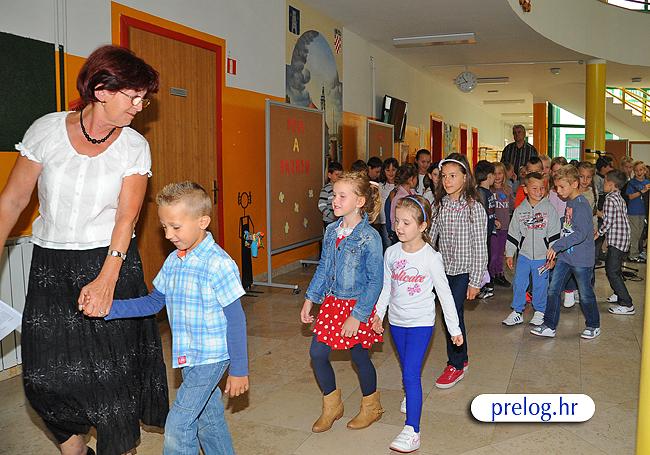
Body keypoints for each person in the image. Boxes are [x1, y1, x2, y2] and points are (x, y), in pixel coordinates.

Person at [0, 45, 169, 455]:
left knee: (113, 377)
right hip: (51, 266)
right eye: (134, 97)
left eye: (144, 99)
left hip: (111, 260)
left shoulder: (133, 146)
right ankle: (73, 446)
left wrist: (107, 279)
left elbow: (126, 219)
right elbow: (13, 201)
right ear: (101, 90)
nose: (140, 107)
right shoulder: (46, 130)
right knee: (42, 377)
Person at [104, 182, 248, 454]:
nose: (169, 234)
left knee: (179, 425)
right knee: (208, 420)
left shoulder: (219, 264)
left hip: (211, 356)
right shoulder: (173, 261)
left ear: (202, 222)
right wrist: (109, 309)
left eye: (176, 227)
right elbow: (153, 302)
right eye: (164, 227)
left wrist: (239, 369)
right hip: (188, 355)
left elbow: (237, 319)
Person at [371, 195, 462, 453]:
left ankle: (412, 430)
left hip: (421, 323)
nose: (399, 227)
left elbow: (445, 295)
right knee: (406, 367)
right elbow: (386, 288)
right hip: (397, 323)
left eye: (406, 222)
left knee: (411, 372)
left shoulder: (430, 258)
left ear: (423, 226)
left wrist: (454, 329)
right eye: (397, 220)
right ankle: (410, 396)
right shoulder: (391, 253)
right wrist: (379, 314)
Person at [300, 172, 384, 433]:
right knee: (317, 353)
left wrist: (358, 315)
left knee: (359, 356)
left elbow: (375, 281)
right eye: (334, 195)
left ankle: (371, 407)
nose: (334, 200)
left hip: (357, 305)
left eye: (341, 196)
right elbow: (324, 267)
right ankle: (332, 406)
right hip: (332, 304)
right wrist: (310, 298)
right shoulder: (331, 231)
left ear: (359, 202)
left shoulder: (370, 237)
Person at [430, 153, 487, 388]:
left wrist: (475, 281)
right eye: (444, 176)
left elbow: (480, 247)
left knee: (451, 315)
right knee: (453, 315)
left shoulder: (474, 208)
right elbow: (430, 237)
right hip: (444, 270)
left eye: (453, 176)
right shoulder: (439, 205)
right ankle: (461, 358)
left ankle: (455, 365)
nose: (447, 180)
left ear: (465, 177)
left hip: (464, 271)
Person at [531, 165, 600, 339]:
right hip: (565, 257)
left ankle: (593, 325)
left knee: (585, 295)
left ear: (574, 184)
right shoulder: (570, 202)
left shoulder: (581, 204)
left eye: (562, 187)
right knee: (553, 290)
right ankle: (549, 325)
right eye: (557, 187)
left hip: (581, 260)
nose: (558, 191)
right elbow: (569, 224)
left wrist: (557, 246)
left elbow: (580, 233)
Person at [502, 172, 561, 326]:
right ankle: (517, 311)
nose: (539, 191)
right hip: (524, 255)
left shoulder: (549, 209)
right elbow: (513, 233)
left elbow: (555, 234)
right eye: (534, 188)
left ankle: (540, 311)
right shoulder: (520, 210)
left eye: (542, 188)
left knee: (540, 285)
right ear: (525, 189)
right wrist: (510, 253)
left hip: (543, 257)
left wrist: (553, 256)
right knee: (519, 283)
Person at [595, 170, 634, 315]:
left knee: (612, 271)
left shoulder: (610, 200)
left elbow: (608, 222)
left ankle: (627, 304)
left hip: (617, 241)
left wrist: (598, 234)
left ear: (612, 185)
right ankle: (618, 293)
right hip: (622, 239)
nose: (603, 184)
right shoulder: (619, 198)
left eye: (605, 182)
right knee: (614, 270)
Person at [475, 160, 497, 299]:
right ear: (489, 176)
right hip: (481, 234)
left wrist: (495, 221)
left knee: (487, 258)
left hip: (487, 232)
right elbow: (480, 214)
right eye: (494, 174)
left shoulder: (488, 192)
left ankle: (484, 283)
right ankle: (479, 286)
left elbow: (489, 212)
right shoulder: (480, 193)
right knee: (482, 259)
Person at [490, 162, 514, 287]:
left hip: (505, 227)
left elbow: (511, 208)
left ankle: (499, 274)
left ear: (504, 175)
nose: (497, 176)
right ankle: (490, 275)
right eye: (494, 173)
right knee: (493, 253)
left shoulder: (508, 190)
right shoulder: (489, 190)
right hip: (493, 228)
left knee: (501, 253)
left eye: (500, 173)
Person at [625, 160, 650, 262]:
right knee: (634, 234)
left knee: (640, 234)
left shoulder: (647, 182)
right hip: (633, 212)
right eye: (636, 170)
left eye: (641, 170)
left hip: (643, 212)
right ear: (634, 172)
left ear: (645, 171)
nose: (639, 172)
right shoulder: (631, 183)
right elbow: (630, 196)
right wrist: (642, 191)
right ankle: (632, 255)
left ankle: (639, 252)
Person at [390, 164, 418, 232]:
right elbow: (393, 219)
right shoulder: (400, 197)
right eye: (416, 178)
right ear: (411, 179)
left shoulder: (413, 193)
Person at [378, 157, 398, 251]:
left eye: (393, 170)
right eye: (388, 170)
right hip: (384, 221)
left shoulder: (399, 186)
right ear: (384, 171)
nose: (391, 173)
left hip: (396, 221)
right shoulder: (380, 186)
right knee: (387, 246)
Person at [318, 161, 343, 228]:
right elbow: (321, 205)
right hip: (329, 221)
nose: (339, 177)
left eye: (341, 175)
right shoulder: (326, 189)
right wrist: (332, 216)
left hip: (340, 221)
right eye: (337, 175)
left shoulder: (342, 188)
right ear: (329, 175)